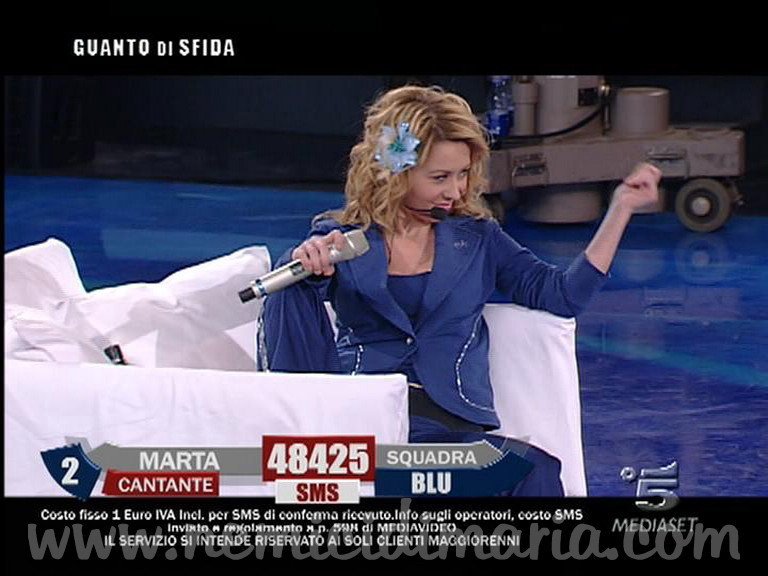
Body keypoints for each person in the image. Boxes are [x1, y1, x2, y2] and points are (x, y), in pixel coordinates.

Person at [261, 85, 660, 496]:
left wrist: (619, 211)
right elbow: (291, 313)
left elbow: (562, 294)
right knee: (291, 286)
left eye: (463, 174)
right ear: (396, 172)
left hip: (449, 428)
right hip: (366, 422)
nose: (455, 191)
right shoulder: (343, 239)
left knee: (530, 471)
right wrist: (304, 265)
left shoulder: (479, 239)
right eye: (440, 177)